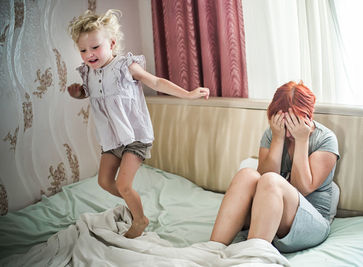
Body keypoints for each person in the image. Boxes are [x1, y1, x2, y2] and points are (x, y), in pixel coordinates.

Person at [67, 9, 209, 239]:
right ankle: (135, 204)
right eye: (83, 50)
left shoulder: (125, 67)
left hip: (135, 136)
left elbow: (156, 82)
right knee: (104, 181)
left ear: (111, 43)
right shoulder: (88, 74)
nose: (89, 54)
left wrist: (188, 94)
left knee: (123, 185)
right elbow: (92, 93)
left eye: (95, 47)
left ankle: (140, 219)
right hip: (111, 139)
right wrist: (78, 93)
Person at [210, 81, 340, 252]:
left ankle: (253, 256)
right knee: (247, 174)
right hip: (270, 214)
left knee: (272, 180)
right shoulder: (273, 133)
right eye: (283, 122)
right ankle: (212, 248)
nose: (287, 131)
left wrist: (302, 140)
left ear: (308, 116)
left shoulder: (325, 139)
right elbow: (262, 182)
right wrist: (278, 139)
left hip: (311, 222)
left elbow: (303, 188)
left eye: (293, 122)